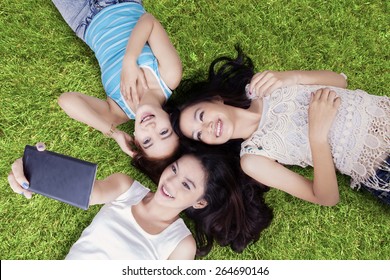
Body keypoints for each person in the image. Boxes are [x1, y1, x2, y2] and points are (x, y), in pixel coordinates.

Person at [171, 47, 389, 206]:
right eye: (199, 135)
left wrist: (291, 77)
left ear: (215, 99)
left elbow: (340, 82)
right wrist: (317, 137)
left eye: (201, 115)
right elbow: (326, 197)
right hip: (382, 165)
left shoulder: (262, 85)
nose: (207, 127)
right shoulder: (253, 159)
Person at [7, 143, 273, 259]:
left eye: (186, 185)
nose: (170, 182)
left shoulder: (181, 245)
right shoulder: (125, 188)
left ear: (200, 202)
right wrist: (36, 170)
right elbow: (80, 190)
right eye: (175, 170)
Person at [52, 0, 182, 165]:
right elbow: (149, 21)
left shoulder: (118, 112)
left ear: (136, 140)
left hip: (82, 19)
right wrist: (130, 61)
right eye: (164, 132)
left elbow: (67, 100)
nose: (151, 128)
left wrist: (113, 133)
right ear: (172, 120)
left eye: (147, 141)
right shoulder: (169, 76)